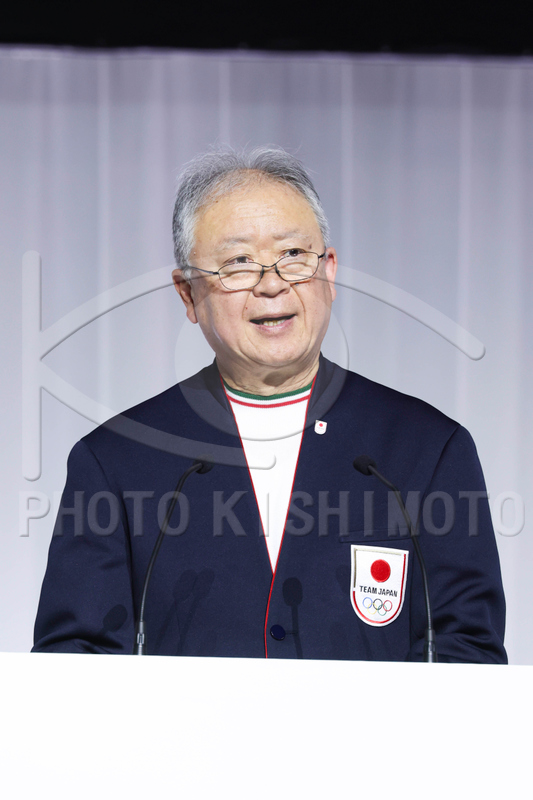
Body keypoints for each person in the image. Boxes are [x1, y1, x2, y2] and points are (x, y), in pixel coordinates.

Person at [33, 147, 507, 662]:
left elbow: (468, 654)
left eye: (293, 255)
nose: (272, 283)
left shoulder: (427, 450)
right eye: (237, 264)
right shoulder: (117, 460)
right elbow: (73, 661)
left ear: (329, 273)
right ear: (188, 294)